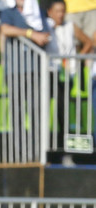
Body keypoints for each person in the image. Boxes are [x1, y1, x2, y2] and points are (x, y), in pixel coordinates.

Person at [0, 0, 52, 158]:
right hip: (15, 70)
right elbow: (5, 29)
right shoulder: (9, 12)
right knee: (17, 112)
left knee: (36, 111)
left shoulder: (39, 12)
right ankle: (18, 151)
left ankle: (38, 151)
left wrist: (36, 34)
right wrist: (30, 34)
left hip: (35, 70)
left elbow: (44, 33)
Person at [45, 0, 93, 160]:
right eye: (57, 11)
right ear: (50, 12)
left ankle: (65, 152)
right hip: (48, 74)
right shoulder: (45, 26)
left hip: (66, 76)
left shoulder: (70, 26)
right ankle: (44, 147)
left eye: (63, 11)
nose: (61, 14)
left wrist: (75, 59)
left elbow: (88, 42)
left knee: (63, 113)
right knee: (43, 111)